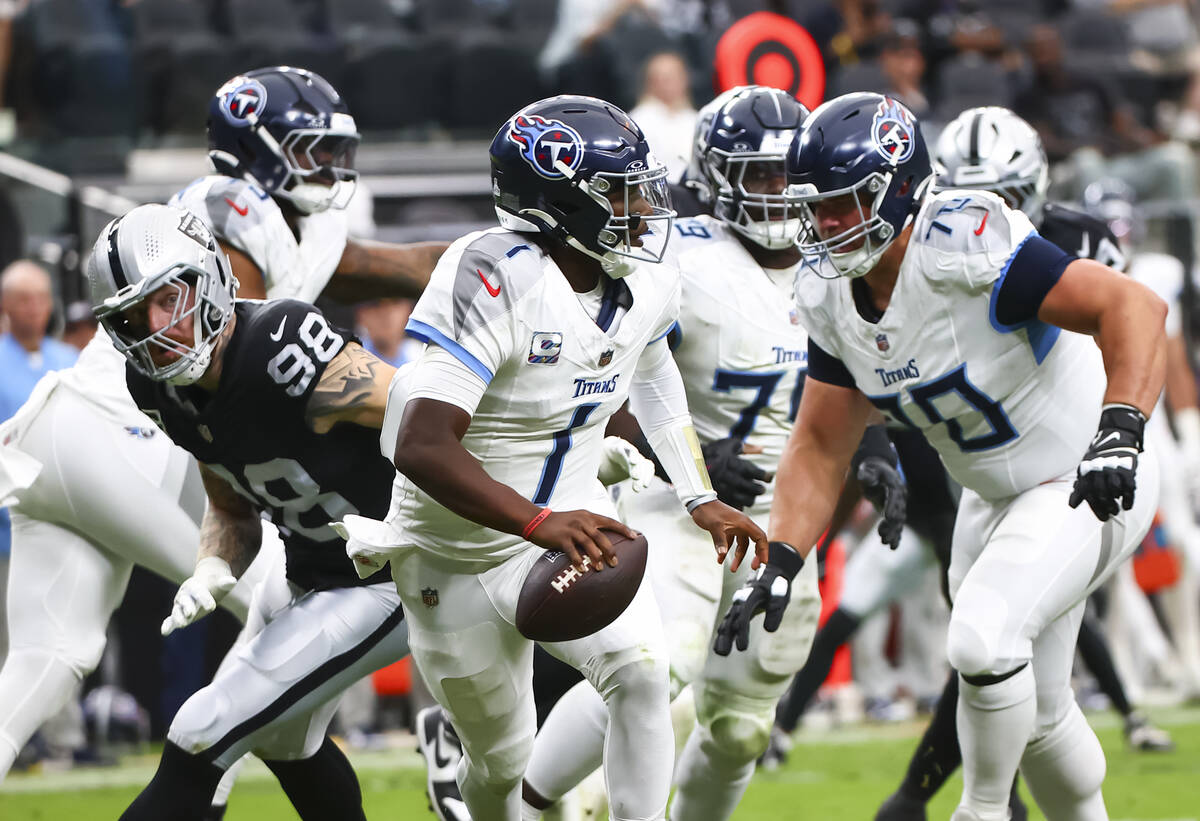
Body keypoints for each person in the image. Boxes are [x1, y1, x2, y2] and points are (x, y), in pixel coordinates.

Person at [718, 92, 1167, 821]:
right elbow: (822, 439)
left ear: (899, 190)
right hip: (990, 494)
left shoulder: (964, 240)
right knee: (1041, 714)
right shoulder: (829, 291)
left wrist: (1121, 427)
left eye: (846, 202)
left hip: (1084, 470)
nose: (826, 223)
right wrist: (784, 552)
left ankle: (980, 811)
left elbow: (1134, 307)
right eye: (816, 206)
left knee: (983, 642)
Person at [0, 65, 446, 790]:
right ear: (261, 149)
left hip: (63, 438)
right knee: (269, 654)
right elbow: (243, 372)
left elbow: (395, 269)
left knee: (47, 660)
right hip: (123, 436)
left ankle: (200, 785)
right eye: (312, 149)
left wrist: (513, 260)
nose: (331, 167)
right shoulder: (228, 214)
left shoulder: (284, 223)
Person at [337, 94, 768, 821]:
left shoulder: (646, 276)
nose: (642, 207)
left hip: (572, 513)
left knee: (641, 671)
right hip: (457, 546)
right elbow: (421, 444)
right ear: (556, 202)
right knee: (501, 764)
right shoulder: (494, 273)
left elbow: (654, 372)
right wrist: (537, 521)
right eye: (621, 192)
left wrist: (697, 495)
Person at [87, 203, 409, 821]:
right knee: (287, 742)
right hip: (306, 572)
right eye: (129, 316)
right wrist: (213, 567)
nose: (154, 329)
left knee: (199, 730)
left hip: (386, 576)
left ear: (207, 279)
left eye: (167, 300)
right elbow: (231, 507)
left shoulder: (279, 346)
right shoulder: (156, 386)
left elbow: (422, 410)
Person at [629, 51, 698, 182]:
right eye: (662, 78)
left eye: (674, 77)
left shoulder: (695, 118)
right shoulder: (638, 121)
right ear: (650, 82)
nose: (668, 84)